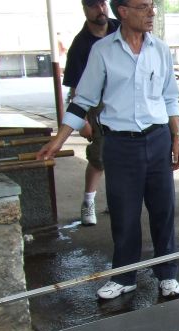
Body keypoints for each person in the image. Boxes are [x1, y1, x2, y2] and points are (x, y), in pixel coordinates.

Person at [36, 0, 179, 300]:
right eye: (143, 7)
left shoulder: (160, 50)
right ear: (123, 11)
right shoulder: (102, 51)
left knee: (163, 210)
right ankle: (124, 276)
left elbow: (170, 97)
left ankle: (167, 274)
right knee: (124, 213)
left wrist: (176, 137)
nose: (151, 12)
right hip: (119, 143)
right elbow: (82, 100)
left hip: (157, 139)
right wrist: (59, 139)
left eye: (152, 6)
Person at [63, 0, 120, 226]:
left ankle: (117, 199)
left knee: (123, 154)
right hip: (97, 105)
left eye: (102, 4)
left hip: (124, 99)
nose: (100, 9)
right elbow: (76, 90)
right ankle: (88, 202)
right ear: (85, 9)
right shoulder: (80, 45)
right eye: (93, 6)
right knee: (99, 156)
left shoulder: (121, 27)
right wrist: (83, 121)